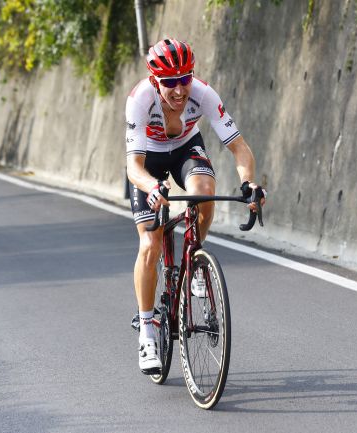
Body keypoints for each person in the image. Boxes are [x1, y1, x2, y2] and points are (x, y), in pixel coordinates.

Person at [125, 38, 267, 374]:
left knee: (203, 192)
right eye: (170, 83)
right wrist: (152, 186)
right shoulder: (140, 100)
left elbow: (240, 148)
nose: (178, 90)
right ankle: (148, 329)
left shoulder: (203, 94)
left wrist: (248, 183)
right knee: (151, 241)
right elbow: (134, 167)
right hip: (149, 161)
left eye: (184, 79)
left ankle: (194, 261)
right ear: (155, 80)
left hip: (187, 146)